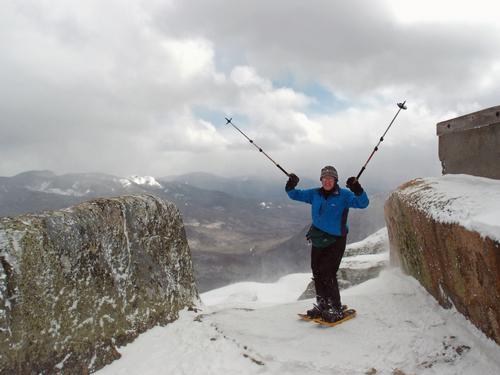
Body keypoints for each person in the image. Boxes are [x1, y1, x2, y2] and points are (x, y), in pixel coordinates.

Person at [285, 165, 369, 322]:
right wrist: (291, 184)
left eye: (330, 178)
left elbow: (363, 203)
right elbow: (294, 195)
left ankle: (335, 307)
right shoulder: (315, 193)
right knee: (317, 271)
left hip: (336, 240)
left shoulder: (344, 195)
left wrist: (357, 189)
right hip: (318, 237)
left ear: (335, 180)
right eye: (324, 178)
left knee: (328, 273)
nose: (327, 181)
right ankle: (323, 304)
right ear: (321, 180)